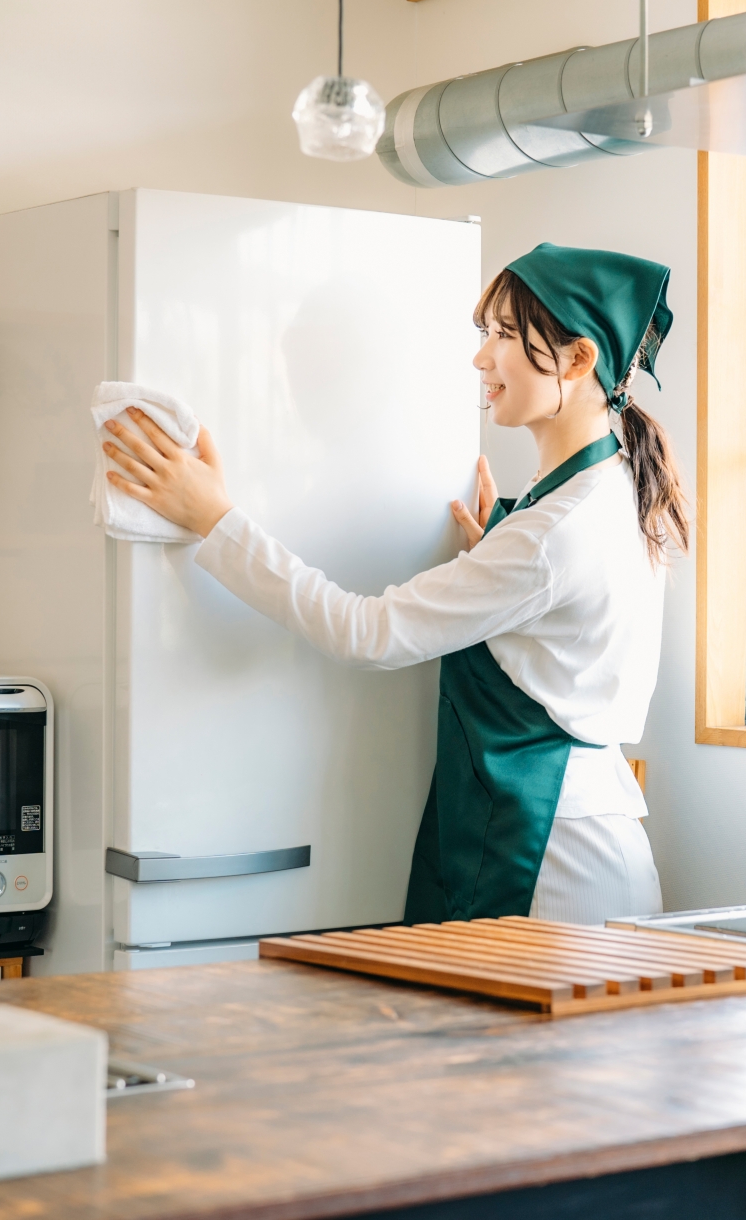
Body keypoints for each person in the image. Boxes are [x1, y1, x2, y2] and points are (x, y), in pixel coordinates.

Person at [100, 242, 687, 925]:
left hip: (555, 865)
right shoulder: (610, 483)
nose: (481, 358)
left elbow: (366, 633)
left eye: (504, 335)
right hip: (574, 837)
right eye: (486, 332)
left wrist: (215, 518)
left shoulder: (551, 533)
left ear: (580, 359)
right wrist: (495, 559)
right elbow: (560, 621)